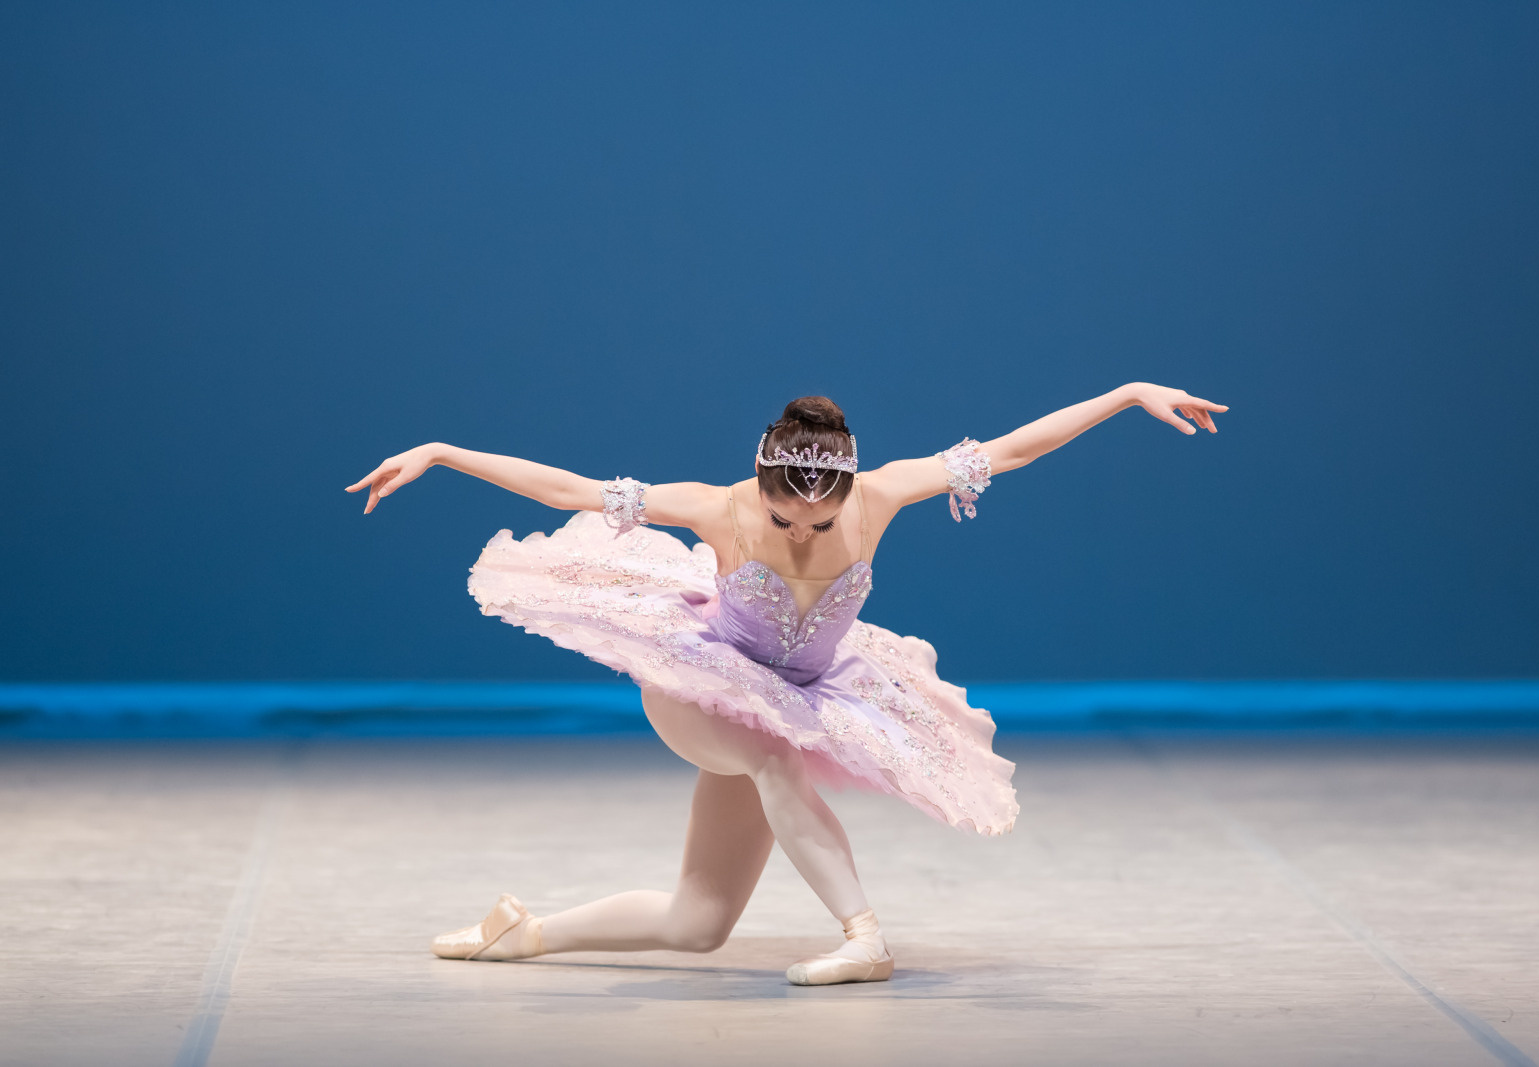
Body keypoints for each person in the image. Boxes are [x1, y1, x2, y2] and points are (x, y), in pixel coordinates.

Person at [345, 382, 1226, 985]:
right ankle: (864, 936)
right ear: (760, 486)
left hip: (801, 690)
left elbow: (1014, 448)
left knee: (701, 920)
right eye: (783, 516)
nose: (802, 533)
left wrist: (1124, 395)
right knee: (774, 754)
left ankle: (523, 932)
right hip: (701, 684)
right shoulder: (719, 505)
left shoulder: (879, 496)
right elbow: (570, 488)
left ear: (846, 491)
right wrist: (443, 450)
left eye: (822, 517)